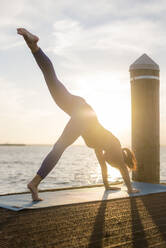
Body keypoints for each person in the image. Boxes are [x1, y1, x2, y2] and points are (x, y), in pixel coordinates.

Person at [17, 28, 139, 201]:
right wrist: (130, 189)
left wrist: (106, 185)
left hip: (79, 108)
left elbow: (102, 166)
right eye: (116, 163)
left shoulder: (101, 145)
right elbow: (124, 172)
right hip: (83, 113)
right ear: (120, 159)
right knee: (59, 147)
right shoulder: (114, 145)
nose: (107, 160)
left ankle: (34, 47)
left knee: (51, 80)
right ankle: (35, 183)